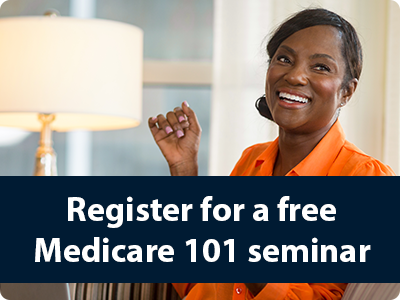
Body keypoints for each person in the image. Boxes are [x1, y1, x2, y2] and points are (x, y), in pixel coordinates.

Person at [148, 7, 394, 300]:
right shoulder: (252, 161)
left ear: (346, 91)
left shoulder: (365, 180)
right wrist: (184, 170)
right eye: (284, 59)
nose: (295, 76)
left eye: (321, 67)